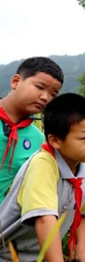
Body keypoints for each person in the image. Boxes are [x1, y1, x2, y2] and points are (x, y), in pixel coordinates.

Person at [0, 93, 85, 262]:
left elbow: (83, 213)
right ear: (55, 140)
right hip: (6, 261)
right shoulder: (43, 164)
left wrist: (81, 248)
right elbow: (44, 220)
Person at [0, 57, 64, 202]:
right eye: (39, 87)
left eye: (53, 94)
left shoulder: (38, 139)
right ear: (16, 81)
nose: (45, 97)